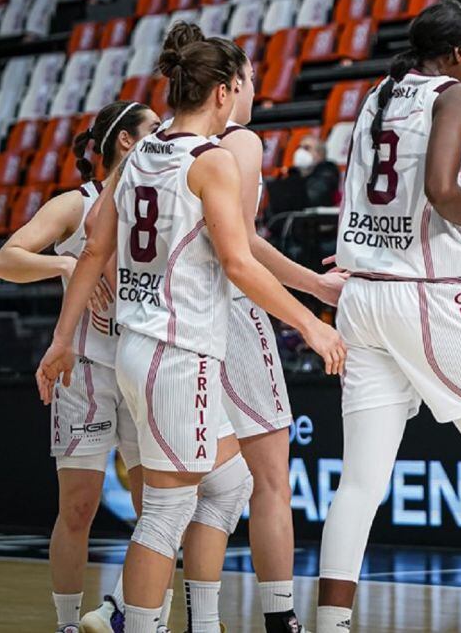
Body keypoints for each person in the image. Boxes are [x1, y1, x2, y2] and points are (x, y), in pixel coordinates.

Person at [35, 36, 346, 633]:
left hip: (136, 346)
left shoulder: (142, 151)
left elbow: (96, 247)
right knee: (167, 513)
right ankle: (143, 624)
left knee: (230, 485)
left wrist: (60, 339)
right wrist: (308, 321)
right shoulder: (213, 159)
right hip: (178, 352)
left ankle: (202, 622)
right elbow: (239, 262)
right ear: (225, 90)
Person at [318, 0, 461, 633]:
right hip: (423, 292)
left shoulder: (377, 95)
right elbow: (442, 189)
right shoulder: (454, 94)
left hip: (362, 294)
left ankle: (330, 625)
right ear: (460, 53)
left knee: (360, 482)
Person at [136, 22, 347, 633]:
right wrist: (311, 296)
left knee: (201, 491)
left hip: (159, 321)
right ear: (228, 88)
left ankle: (196, 618)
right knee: (268, 482)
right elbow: (245, 248)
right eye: (252, 79)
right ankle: (280, 618)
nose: (256, 92)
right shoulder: (240, 144)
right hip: (227, 310)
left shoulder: (156, 143)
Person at [0, 100, 159, 633]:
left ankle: (125, 612)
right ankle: (67, 623)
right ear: (126, 142)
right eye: (153, 128)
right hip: (85, 367)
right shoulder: (75, 204)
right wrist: (67, 261)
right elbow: (5, 260)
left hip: (141, 363)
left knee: (154, 507)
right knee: (80, 507)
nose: (165, 134)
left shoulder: (159, 198)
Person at [268, 133, 340, 214]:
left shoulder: (328, 172)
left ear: (320, 154)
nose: (300, 152)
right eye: (299, 147)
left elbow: (313, 199)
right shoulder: (291, 175)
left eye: (306, 148)